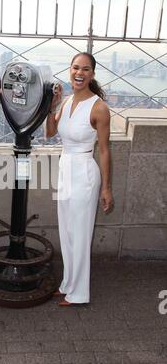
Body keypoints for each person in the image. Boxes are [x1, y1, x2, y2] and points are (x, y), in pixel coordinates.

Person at [46, 52, 114, 306]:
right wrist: (51, 107)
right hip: (66, 168)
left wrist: (106, 188)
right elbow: (51, 132)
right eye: (76, 68)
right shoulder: (65, 102)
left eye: (86, 69)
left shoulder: (99, 107)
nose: (80, 73)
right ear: (70, 70)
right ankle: (68, 284)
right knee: (67, 232)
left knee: (80, 233)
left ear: (92, 74)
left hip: (84, 172)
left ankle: (79, 293)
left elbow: (105, 150)